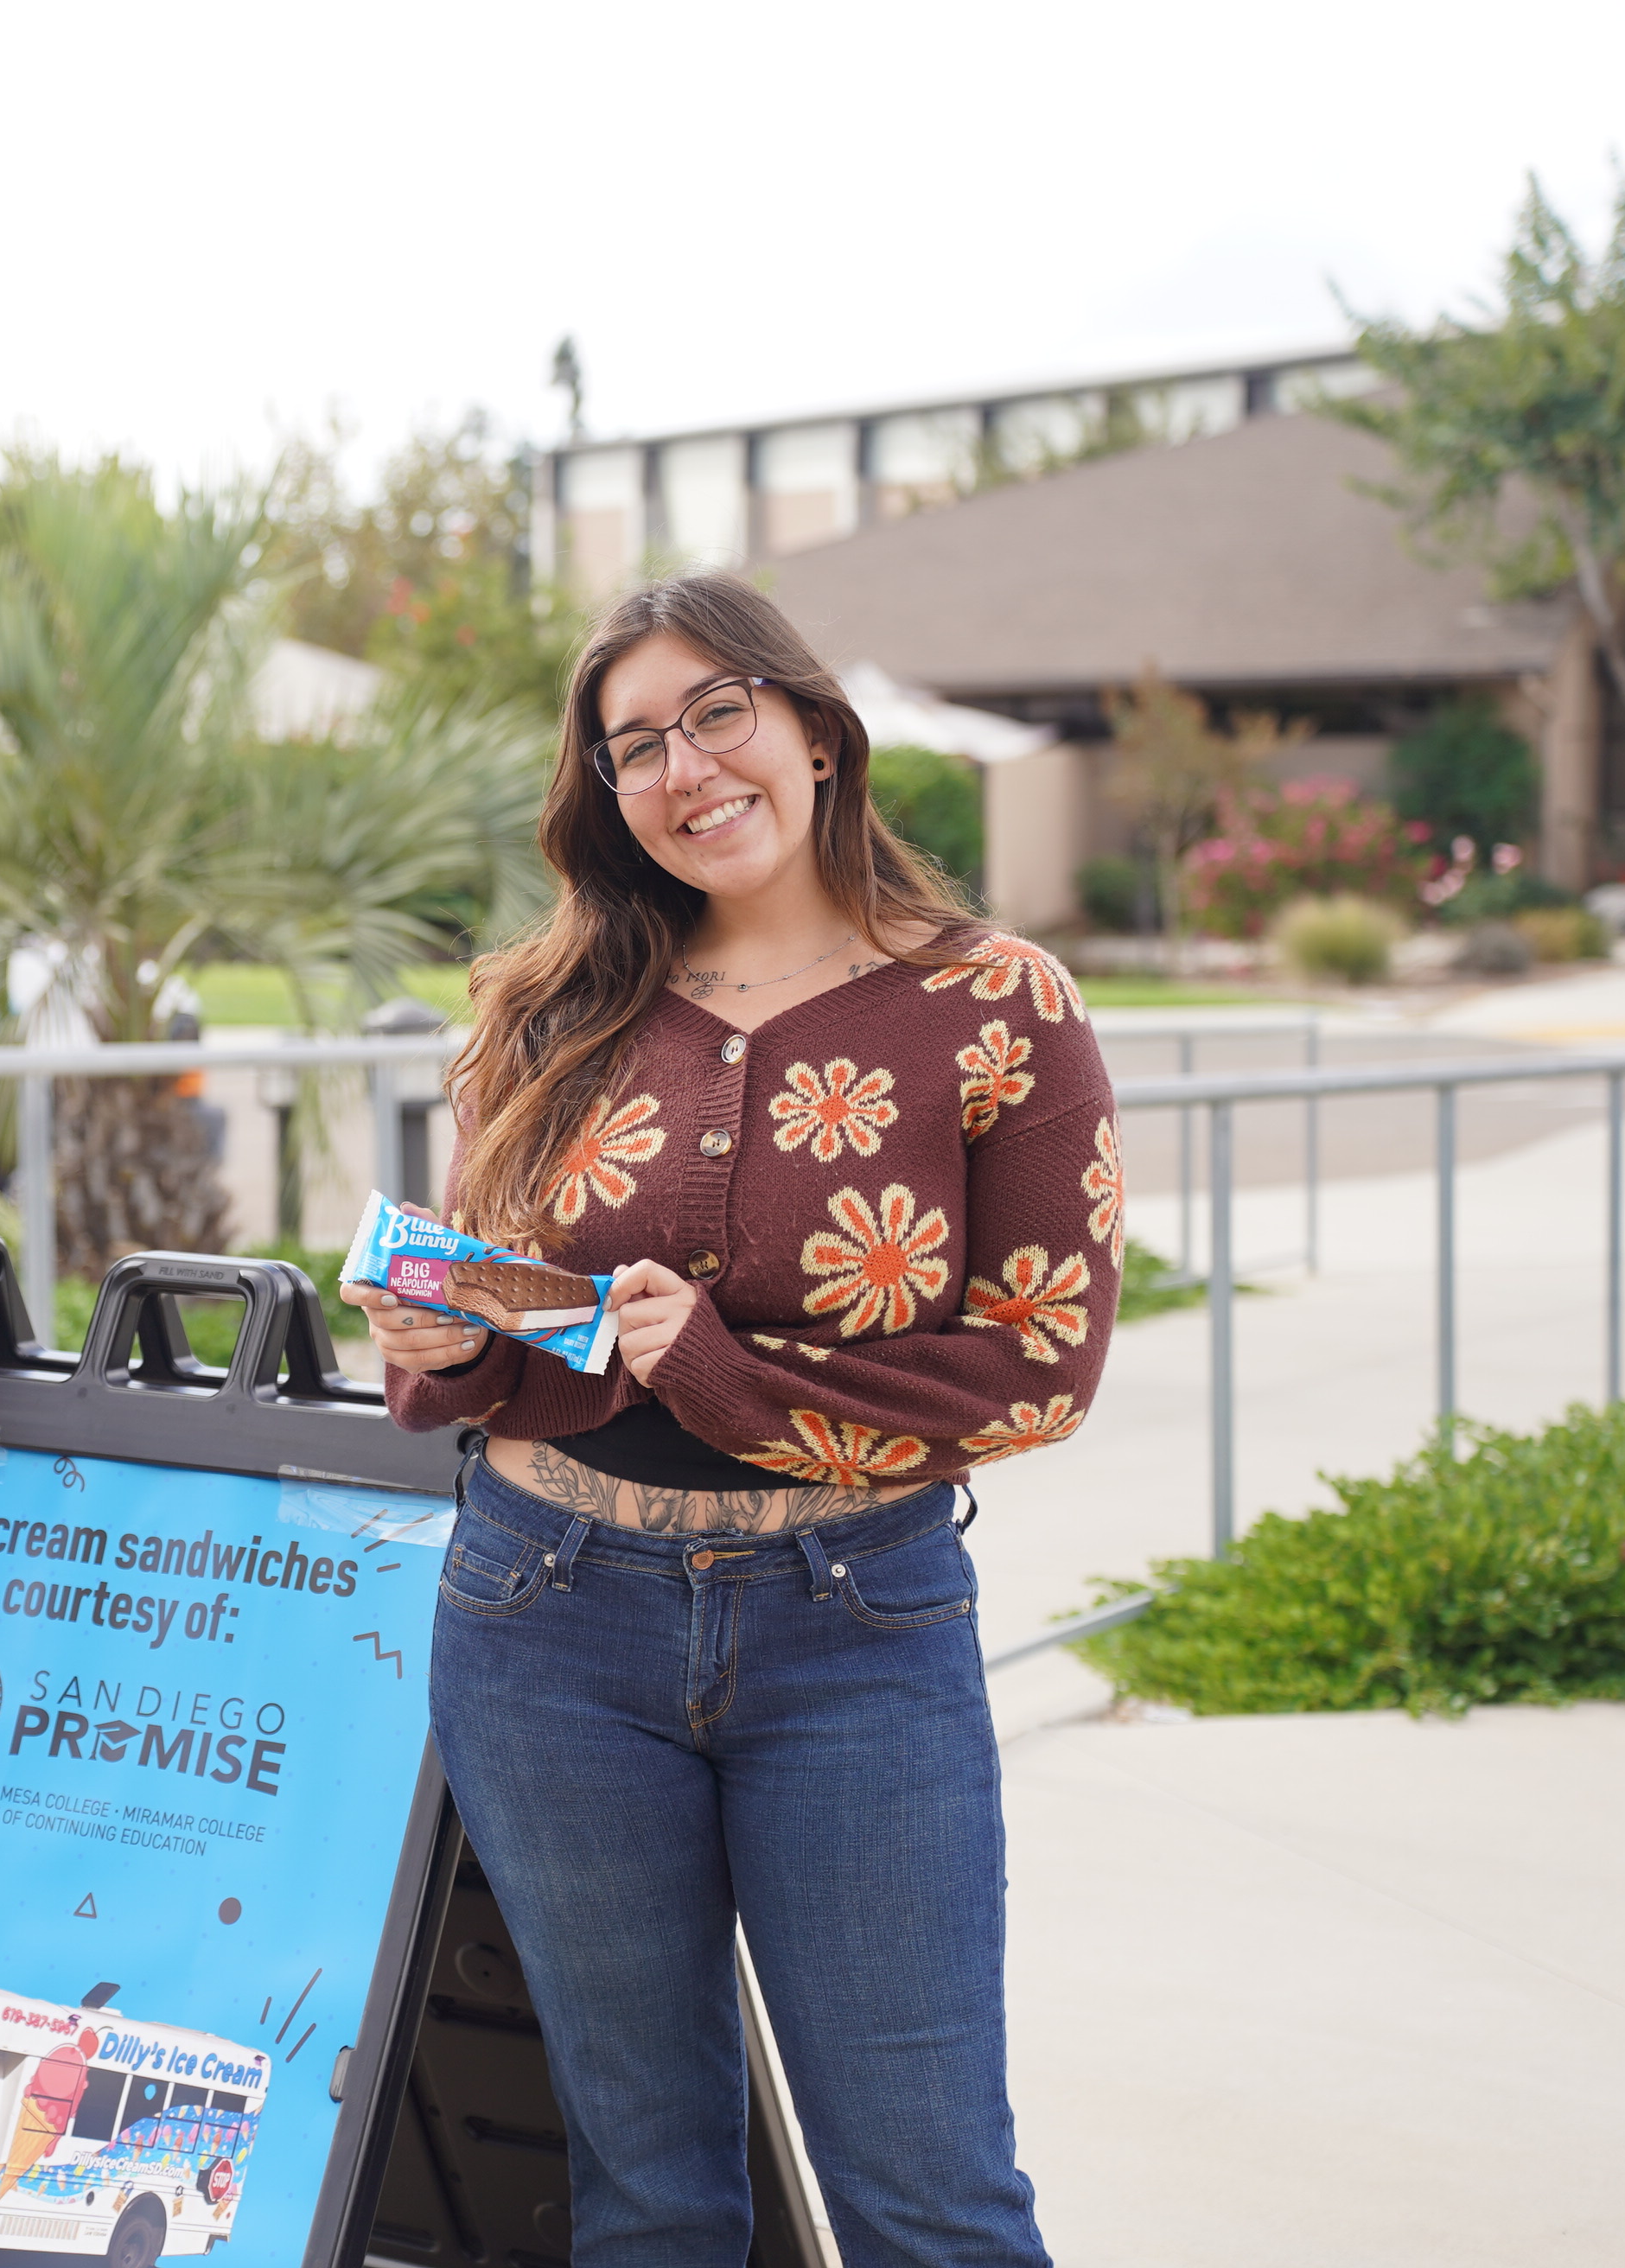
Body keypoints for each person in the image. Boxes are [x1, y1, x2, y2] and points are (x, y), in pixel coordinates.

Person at [343, 573, 1115, 2268]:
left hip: (855, 1623)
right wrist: (443, 1338)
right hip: (544, 1621)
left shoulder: (999, 1009)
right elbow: (491, 1349)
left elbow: (1039, 1366)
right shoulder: (546, 1011)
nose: (686, 770)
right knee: (648, 2195)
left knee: (930, 2198)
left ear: (813, 731)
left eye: (716, 715)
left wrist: (714, 1372)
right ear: (604, 795)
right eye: (635, 747)